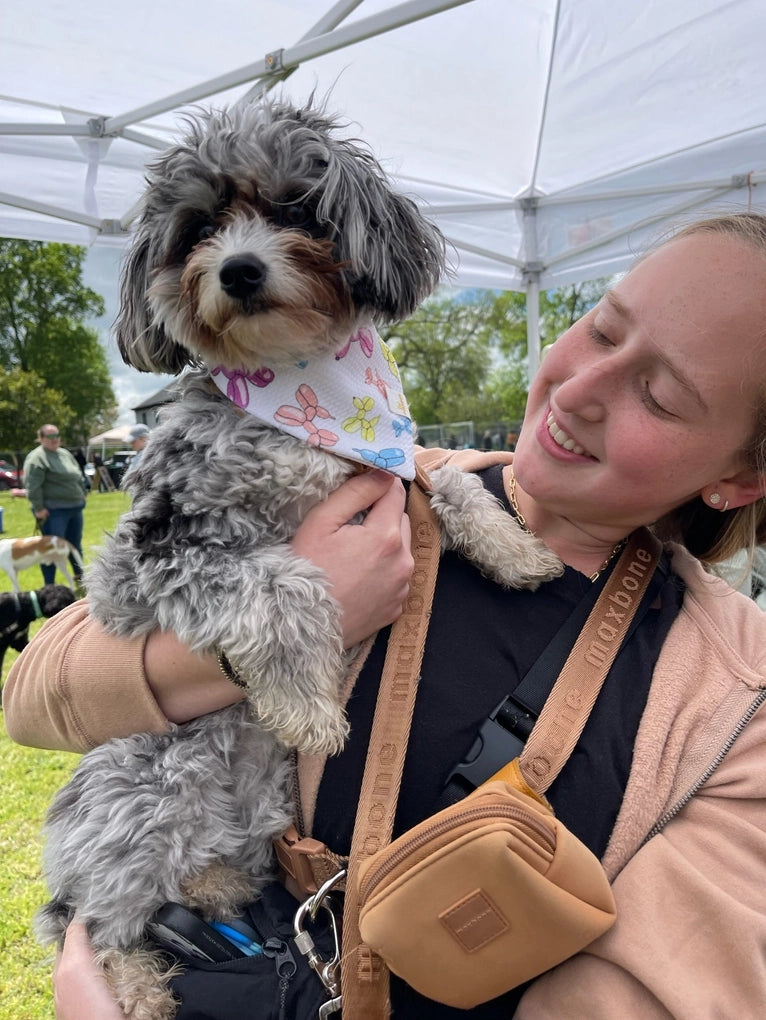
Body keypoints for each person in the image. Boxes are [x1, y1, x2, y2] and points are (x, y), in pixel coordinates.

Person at [6, 213, 766, 1018]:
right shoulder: (363, 476)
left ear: (741, 479)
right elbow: (36, 691)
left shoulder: (738, 702)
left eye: (657, 394)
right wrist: (276, 635)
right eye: (604, 329)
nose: (576, 392)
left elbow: (655, 997)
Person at [22, 425, 87, 586]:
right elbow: (33, 486)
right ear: (42, 438)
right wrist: (38, 508)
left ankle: (80, 578)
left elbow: (78, 475)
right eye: (50, 436)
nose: (55, 439)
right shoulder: (37, 458)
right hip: (53, 511)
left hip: (74, 508)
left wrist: (82, 492)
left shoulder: (64, 454)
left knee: (75, 544)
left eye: (57, 435)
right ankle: (49, 585)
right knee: (51, 549)